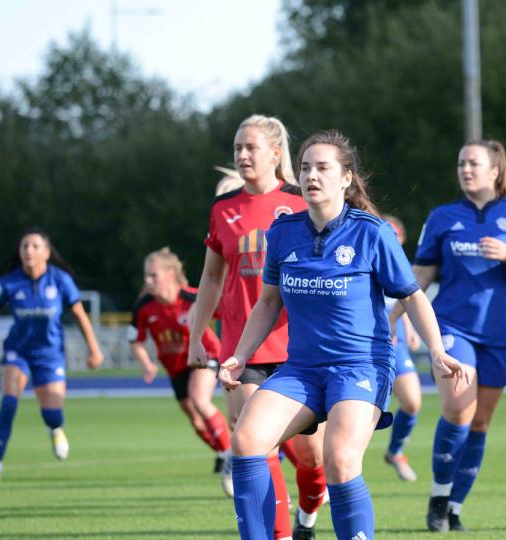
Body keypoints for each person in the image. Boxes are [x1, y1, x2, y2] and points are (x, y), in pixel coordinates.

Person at [220, 130, 467, 540]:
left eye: (322, 168)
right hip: (301, 370)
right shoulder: (283, 233)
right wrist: (240, 355)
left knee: (339, 460)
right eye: (305, 168)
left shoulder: (372, 232)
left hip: (360, 367)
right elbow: (267, 304)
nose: (312, 176)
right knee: (246, 441)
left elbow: (413, 296)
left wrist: (436, 351)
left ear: (346, 178)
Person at [187, 114, 327, 539]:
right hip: (240, 351)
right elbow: (211, 278)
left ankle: (307, 518)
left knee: (312, 458)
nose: (243, 155)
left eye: (251, 148)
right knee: (256, 445)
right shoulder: (223, 208)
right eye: (237, 149)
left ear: (275, 153)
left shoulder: (302, 202)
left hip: (297, 349)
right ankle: (280, 535)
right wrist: (197, 336)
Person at [411, 139, 506, 532]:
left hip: (500, 332)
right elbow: (420, 277)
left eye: (473, 163)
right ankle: (437, 496)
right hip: (452, 326)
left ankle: (454, 508)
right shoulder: (442, 216)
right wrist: (395, 317)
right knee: (457, 409)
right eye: (461, 163)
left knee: (480, 423)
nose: (465, 170)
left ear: (495, 171)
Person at [0, 227, 104, 485]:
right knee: (9, 402)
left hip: (50, 356)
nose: (28, 250)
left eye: (35, 246)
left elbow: (80, 315)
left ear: (47, 253)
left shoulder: (60, 280)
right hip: (18, 352)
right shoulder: (8, 282)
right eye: (24, 246)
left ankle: (55, 429)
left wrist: (94, 349)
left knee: (52, 414)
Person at [129, 247, 231, 476]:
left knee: (199, 399)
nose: (148, 280)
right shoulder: (143, 306)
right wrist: (146, 363)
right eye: (146, 275)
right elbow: (135, 340)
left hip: (206, 355)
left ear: (170, 274)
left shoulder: (193, 297)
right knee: (196, 421)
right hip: (175, 368)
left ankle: (230, 457)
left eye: (153, 275)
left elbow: (230, 313)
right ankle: (222, 451)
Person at [381, 215, 424, 482]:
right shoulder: (363, 257)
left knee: (412, 402)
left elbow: (406, 299)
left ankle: (395, 451)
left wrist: (410, 330)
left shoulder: (404, 267)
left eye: (395, 235)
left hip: (397, 345)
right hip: (368, 345)